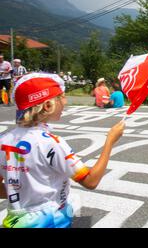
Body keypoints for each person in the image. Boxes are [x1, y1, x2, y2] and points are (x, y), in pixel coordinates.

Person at [0, 73, 125, 228]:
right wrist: (110, 141)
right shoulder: (52, 143)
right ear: (47, 105)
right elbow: (91, 181)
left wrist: (22, 193)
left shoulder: (3, 140)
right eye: (61, 97)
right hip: (50, 221)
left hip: (13, 221)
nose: (65, 102)